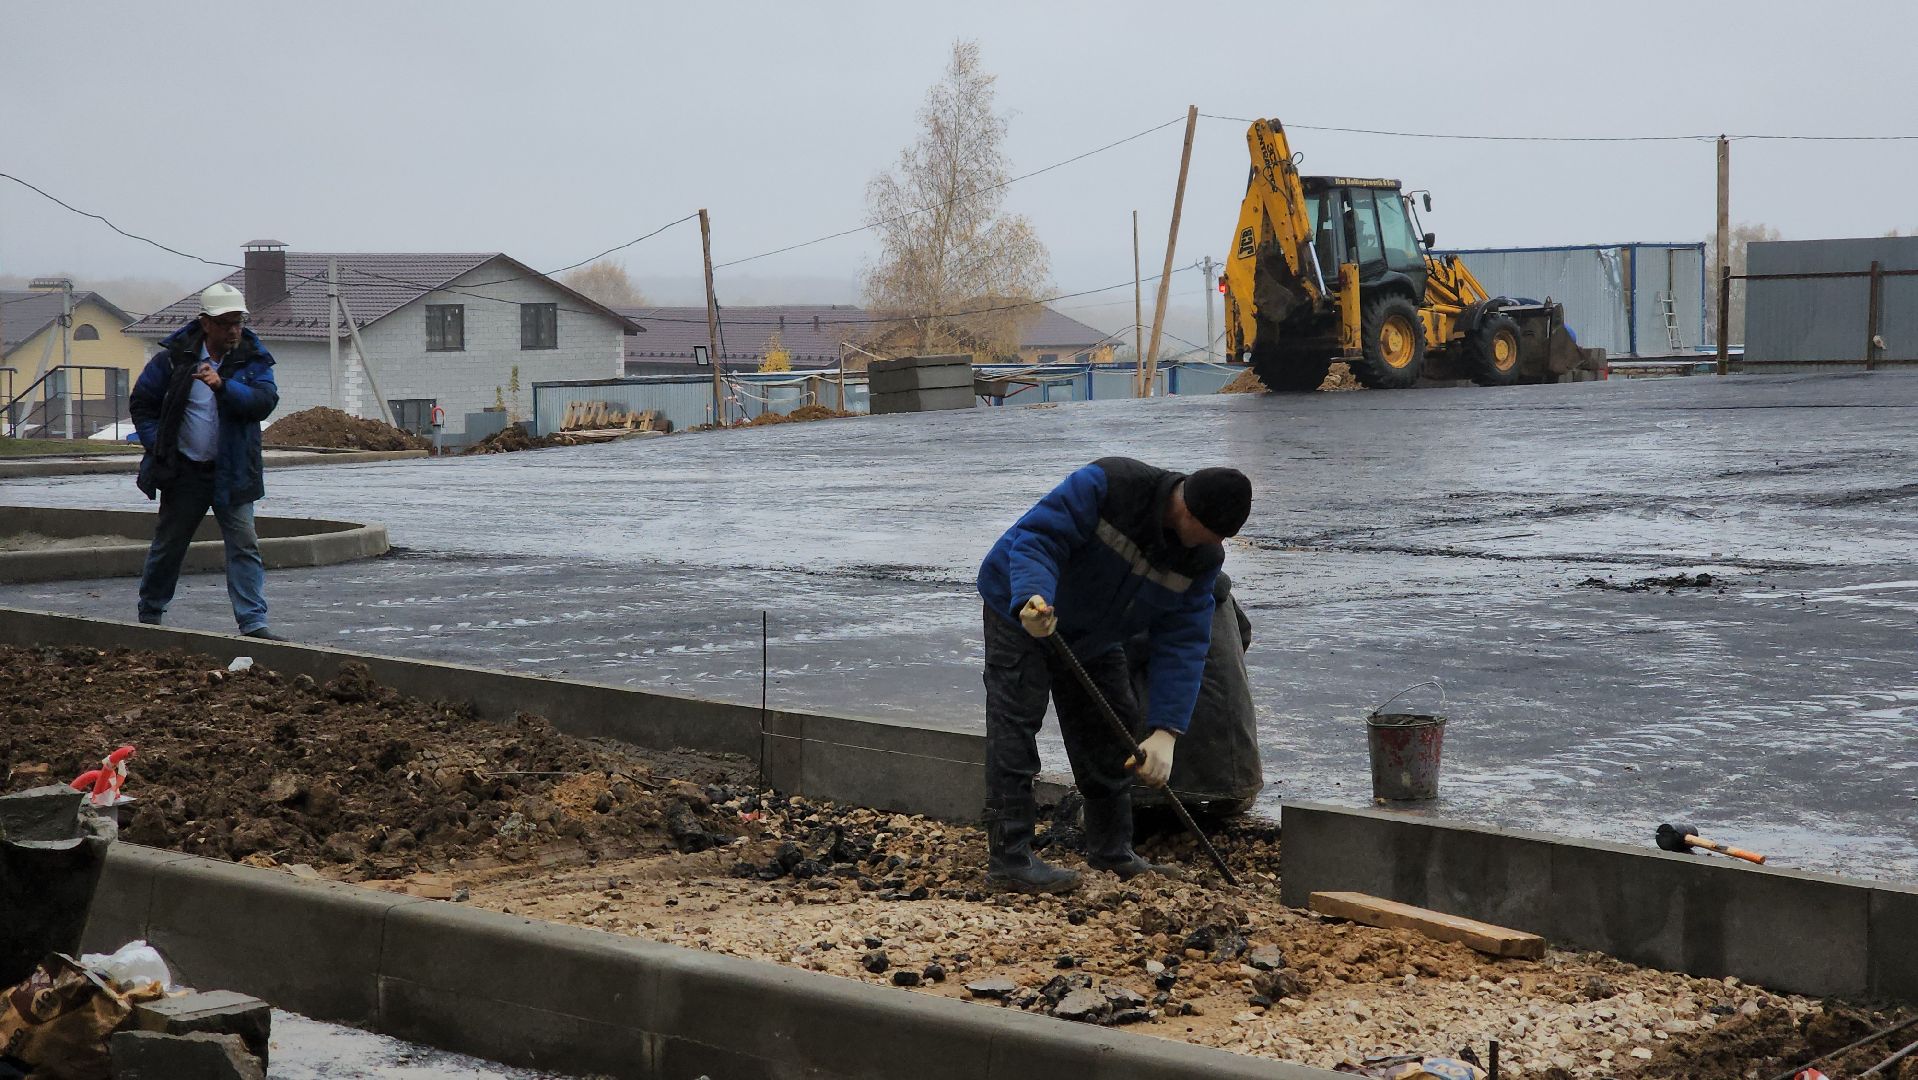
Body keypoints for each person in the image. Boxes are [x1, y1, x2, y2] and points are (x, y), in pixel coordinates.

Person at [975, 457, 1252, 893]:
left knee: (1110, 726)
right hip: (1023, 609)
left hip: (1096, 632)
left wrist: (1167, 731)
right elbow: (1038, 538)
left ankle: (1112, 850)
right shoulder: (1110, 485)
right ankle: (1010, 858)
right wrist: (1032, 597)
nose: (1215, 544)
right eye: (1214, 533)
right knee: (1016, 723)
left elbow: (1183, 644)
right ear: (1188, 511)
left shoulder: (1202, 559)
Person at [130, 283, 285, 640]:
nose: (234, 330)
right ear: (205, 323)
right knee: (169, 545)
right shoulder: (176, 358)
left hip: (233, 472)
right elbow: (143, 403)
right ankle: (150, 613)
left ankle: (253, 622)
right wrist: (159, 446)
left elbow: (264, 401)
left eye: (239, 322)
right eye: (226, 323)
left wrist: (223, 386)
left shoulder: (252, 357)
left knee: (245, 545)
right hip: (185, 471)